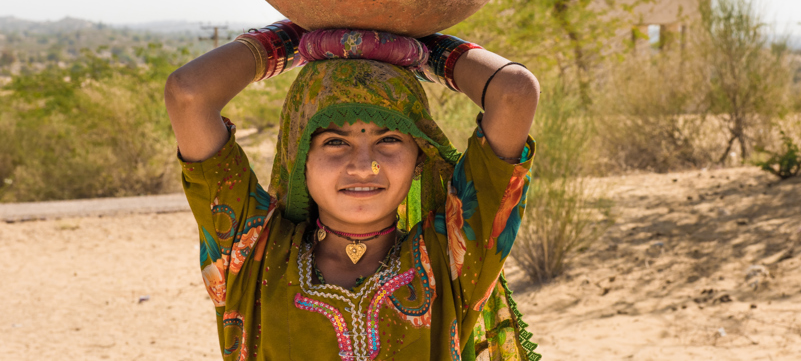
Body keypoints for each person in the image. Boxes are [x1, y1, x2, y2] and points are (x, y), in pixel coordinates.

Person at [165, 23, 541, 360]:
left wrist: (427, 52)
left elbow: (514, 92)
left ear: (419, 160)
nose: (364, 166)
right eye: (334, 142)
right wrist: (292, 39)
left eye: (390, 139)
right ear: (301, 160)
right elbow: (188, 94)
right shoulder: (251, 253)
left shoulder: (451, 258)